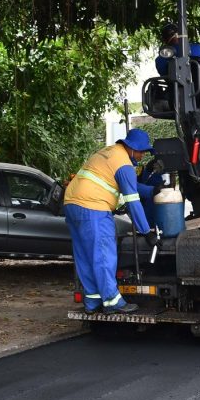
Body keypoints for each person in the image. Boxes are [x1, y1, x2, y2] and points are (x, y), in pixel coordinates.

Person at [64, 129, 159, 313]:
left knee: (84, 256)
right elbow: (132, 202)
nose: (141, 157)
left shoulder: (109, 152)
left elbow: (123, 182)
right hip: (93, 208)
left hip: (71, 205)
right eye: (141, 152)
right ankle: (113, 302)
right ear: (132, 148)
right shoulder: (124, 165)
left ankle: (92, 302)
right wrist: (146, 232)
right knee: (103, 254)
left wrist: (150, 190)